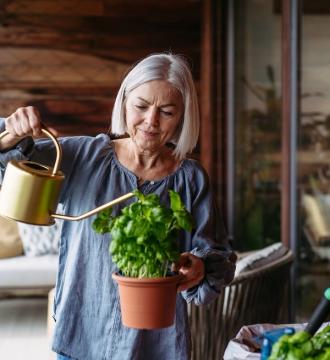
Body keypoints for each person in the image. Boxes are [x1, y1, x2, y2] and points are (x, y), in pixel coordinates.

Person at [0, 53, 236, 360]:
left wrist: (200, 265)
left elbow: (217, 253)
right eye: (141, 106)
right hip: (81, 338)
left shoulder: (191, 178)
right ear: (124, 102)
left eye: (166, 111)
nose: (151, 122)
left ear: (183, 116)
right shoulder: (83, 155)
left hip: (156, 345)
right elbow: (8, 165)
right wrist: (10, 135)